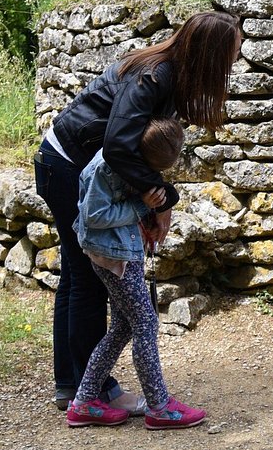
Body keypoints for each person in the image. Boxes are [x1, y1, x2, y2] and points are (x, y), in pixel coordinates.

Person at [33, 10, 241, 413]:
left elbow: (126, 152)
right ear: (211, 55)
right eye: (231, 53)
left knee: (78, 277)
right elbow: (118, 146)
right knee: (88, 279)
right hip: (66, 166)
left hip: (76, 167)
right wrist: (159, 197)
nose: (234, 62)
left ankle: (73, 385)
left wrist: (154, 201)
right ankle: (94, 391)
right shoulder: (153, 76)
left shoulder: (168, 74)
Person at [66, 118, 206, 429]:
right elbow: (94, 216)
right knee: (145, 322)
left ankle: (85, 401)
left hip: (119, 251)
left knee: (122, 327)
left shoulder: (127, 154)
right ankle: (159, 406)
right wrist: (141, 207)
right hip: (112, 256)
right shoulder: (107, 167)